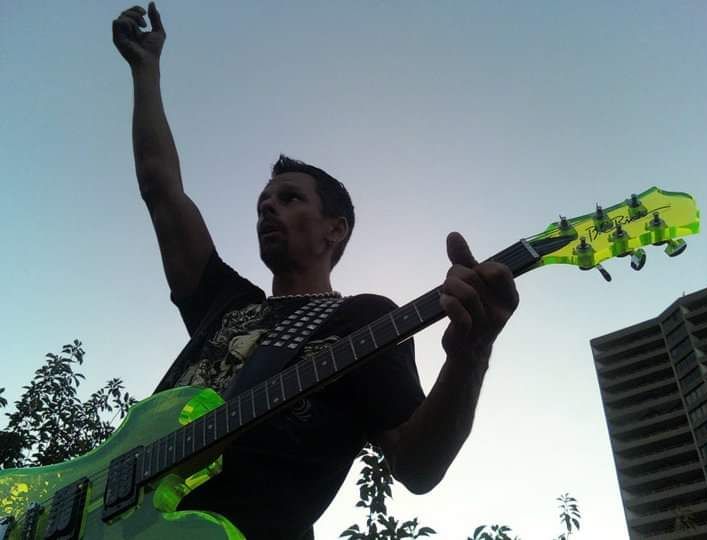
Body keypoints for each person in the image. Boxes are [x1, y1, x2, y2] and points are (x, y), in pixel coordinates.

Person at [112, 4, 519, 539]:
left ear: (335, 229)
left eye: (290, 198)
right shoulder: (225, 303)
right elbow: (162, 191)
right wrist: (145, 71)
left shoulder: (364, 320)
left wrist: (471, 354)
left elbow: (417, 464)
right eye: (263, 201)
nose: (267, 207)